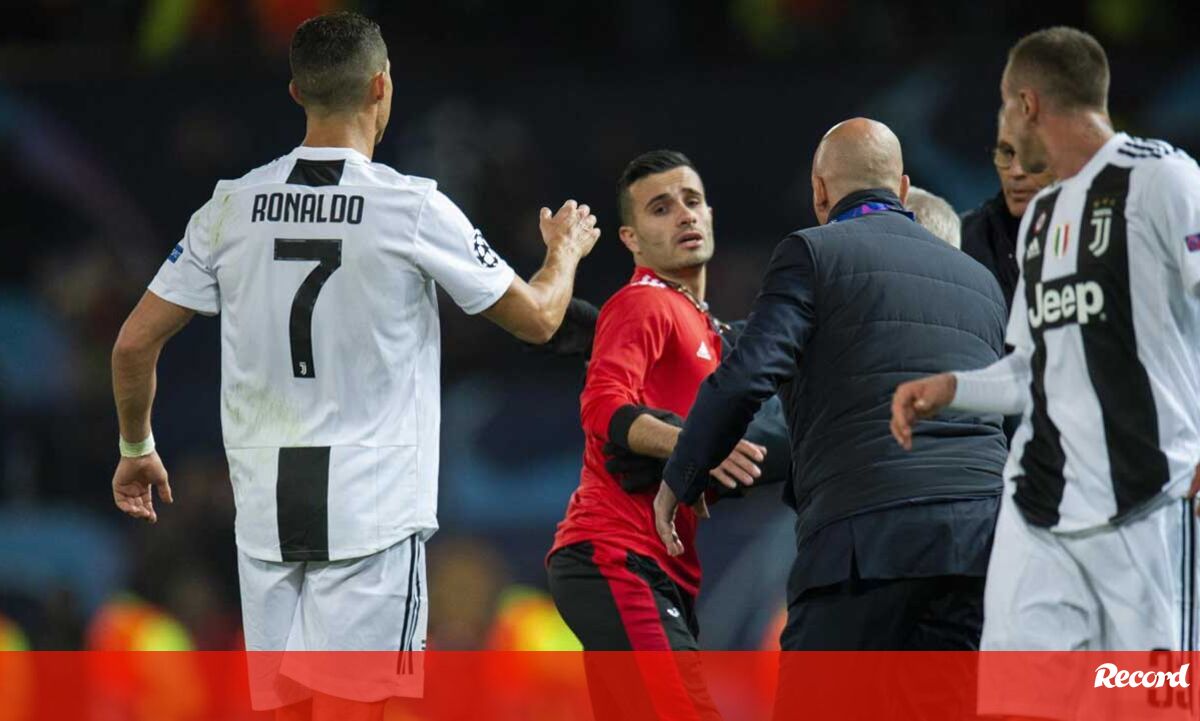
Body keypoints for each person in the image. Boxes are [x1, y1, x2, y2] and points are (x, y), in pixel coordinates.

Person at [108, 11, 600, 721]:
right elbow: (540, 319)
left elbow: (132, 344)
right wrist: (565, 252)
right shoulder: (410, 206)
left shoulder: (230, 207)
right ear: (380, 86)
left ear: (295, 93)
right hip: (371, 506)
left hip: (268, 510)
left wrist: (136, 447)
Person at [892, 25, 1200, 658]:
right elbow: (1031, 368)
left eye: (1006, 107)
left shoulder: (1162, 177)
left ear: (1027, 104)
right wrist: (952, 388)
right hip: (1040, 508)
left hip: (1146, 501)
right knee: (1016, 692)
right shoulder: (1041, 220)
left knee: (1141, 694)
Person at [655, 119, 1008, 659]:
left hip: (865, 541)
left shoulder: (814, 253)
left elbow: (748, 376)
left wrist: (682, 475)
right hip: (978, 548)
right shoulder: (983, 285)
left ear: (819, 192)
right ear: (903, 190)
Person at [545, 150, 787, 720]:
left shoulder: (704, 326)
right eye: (660, 208)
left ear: (711, 215)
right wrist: (693, 444)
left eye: (692, 201)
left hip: (656, 566)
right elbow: (603, 407)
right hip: (618, 555)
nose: (683, 214)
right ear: (631, 238)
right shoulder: (643, 302)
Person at [961, 110, 1055, 310]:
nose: (1016, 171)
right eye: (1007, 153)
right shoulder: (962, 241)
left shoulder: (1104, 234)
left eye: (1032, 154)